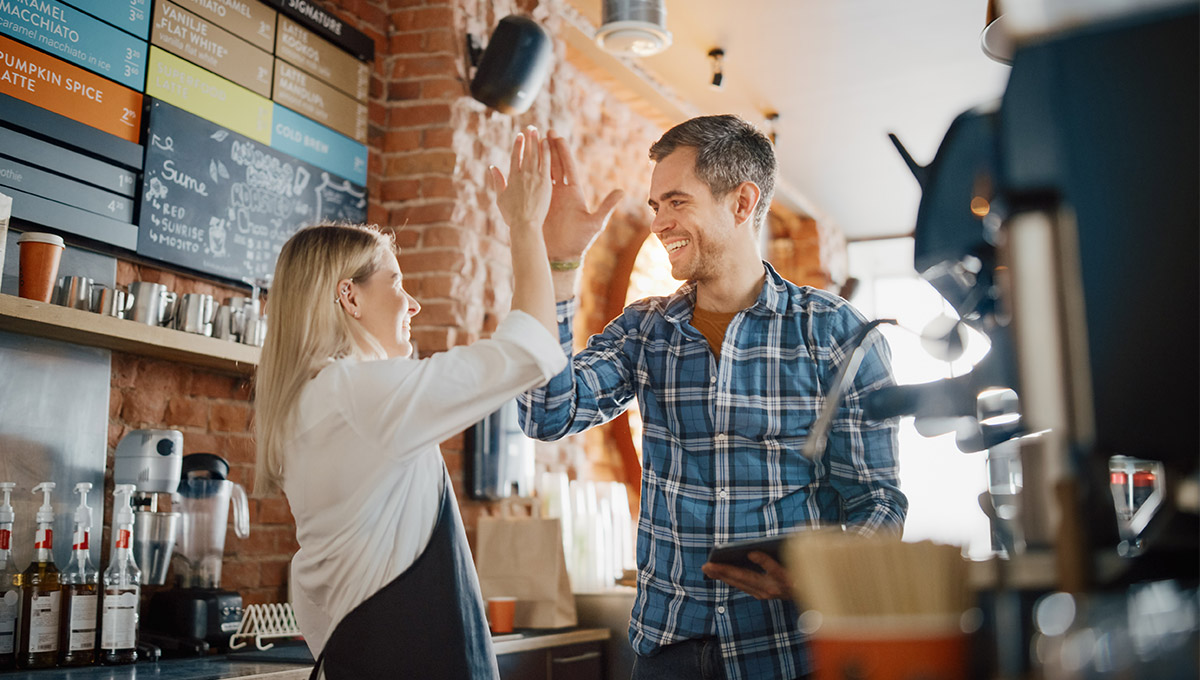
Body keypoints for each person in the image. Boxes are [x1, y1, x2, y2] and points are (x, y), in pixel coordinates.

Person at [519, 115, 908, 680]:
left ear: (742, 202)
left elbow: (878, 502)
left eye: (676, 202)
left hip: (788, 652)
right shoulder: (644, 331)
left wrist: (824, 574)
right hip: (665, 654)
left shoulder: (837, 333)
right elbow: (545, 412)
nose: (660, 223)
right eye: (655, 207)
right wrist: (558, 264)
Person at [253, 128, 566, 680]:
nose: (413, 302)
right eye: (397, 282)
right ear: (349, 296)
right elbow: (530, 350)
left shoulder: (317, 404)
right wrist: (526, 227)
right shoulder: (354, 395)